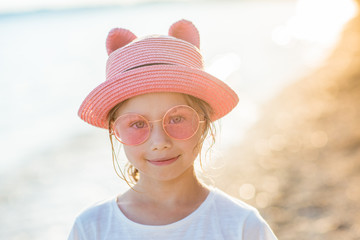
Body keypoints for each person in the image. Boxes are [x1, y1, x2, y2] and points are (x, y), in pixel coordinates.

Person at [68, 19, 277, 240]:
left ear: (204, 122)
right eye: (137, 124)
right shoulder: (92, 228)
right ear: (115, 130)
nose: (159, 141)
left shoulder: (242, 226)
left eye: (176, 118)